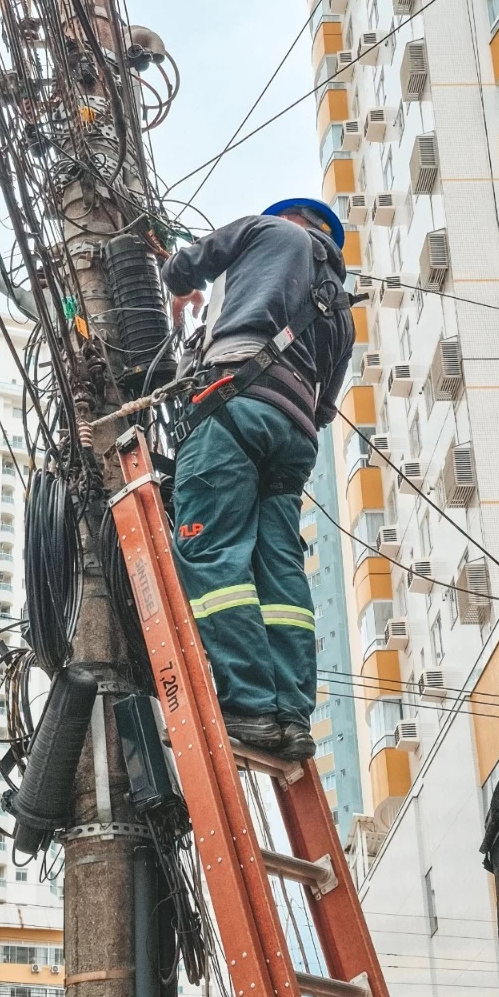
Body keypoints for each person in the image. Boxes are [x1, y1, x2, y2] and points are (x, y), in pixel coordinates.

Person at [161, 198, 355, 761]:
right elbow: (324, 409)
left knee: (213, 551)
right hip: (295, 440)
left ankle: (247, 704)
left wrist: (174, 278)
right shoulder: (341, 309)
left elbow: (188, 265)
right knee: (279, 572)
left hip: (236, 406)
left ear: (290, 217)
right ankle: (293, 715)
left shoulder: (266, 230)